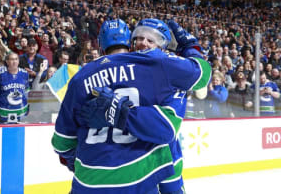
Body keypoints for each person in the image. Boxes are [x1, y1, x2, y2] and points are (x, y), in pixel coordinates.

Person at [51, 19, 211, 194]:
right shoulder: (158, 64)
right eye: (140, 38)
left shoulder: (81, 77)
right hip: (139, 178)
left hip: (88, 181)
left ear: (100, 44)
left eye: (151, 40)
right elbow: (202, 74)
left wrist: (83, 163)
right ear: (130, 41)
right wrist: (191, 46)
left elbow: (62, 143)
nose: (144, 43)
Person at [0, 53, 29, 123]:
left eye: (16, 59)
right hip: (4, 111)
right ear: (7, 61)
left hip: (21, 111)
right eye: (12, 59)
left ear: (18, 61)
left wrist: (28, 108)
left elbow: (27, 92)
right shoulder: (0, 74)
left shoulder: (25, 73)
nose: (14, 61)